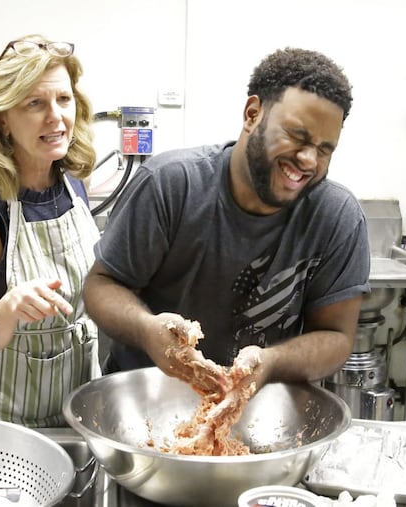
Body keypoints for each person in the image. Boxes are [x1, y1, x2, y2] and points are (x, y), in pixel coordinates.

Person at [84, 47, 371, 393]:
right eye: (297, 136)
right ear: (252, 114)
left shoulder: (336, 217)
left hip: (261, 411)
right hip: (146, 400)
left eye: (325, 149)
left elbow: (336, 336)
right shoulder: (171, 186)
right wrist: (148, 329)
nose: (309, 160)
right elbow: (102, 285)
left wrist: (271, 362)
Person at [0, 34, 100, 427]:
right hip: (2, 426)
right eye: (35, 104)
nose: (56, 117)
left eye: (64, 100)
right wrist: (10, 308)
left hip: (74, 415)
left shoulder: (74, 185)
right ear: (1, 119)